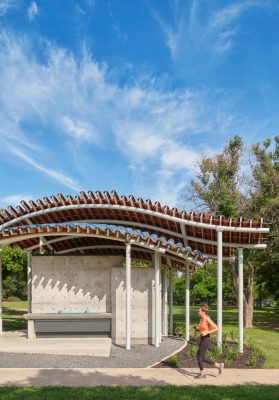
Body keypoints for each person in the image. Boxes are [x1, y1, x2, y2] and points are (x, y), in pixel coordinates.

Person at [194, 304, 224, 379]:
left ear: (203, 312)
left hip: (206, 339)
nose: (198, 312)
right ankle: (219, 365)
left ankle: (202, 373)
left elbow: (216, 328)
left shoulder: (207, 318)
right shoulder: (201, 319)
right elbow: (202, 329)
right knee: (202, 357)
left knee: (199, 356)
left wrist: (207, 332)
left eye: (199, 311)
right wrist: (197, 329)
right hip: (202, 339)